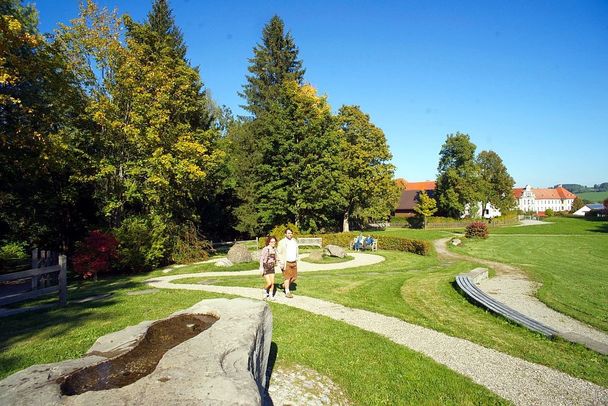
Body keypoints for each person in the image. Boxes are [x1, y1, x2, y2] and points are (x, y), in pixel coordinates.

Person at [277, 228, 298, 298]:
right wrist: (281, 262)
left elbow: (296, 250)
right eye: (288, 233)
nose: (290, 234)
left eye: (291, 233)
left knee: (294, 278)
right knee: (287, 277)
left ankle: (283, 285)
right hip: (286, 263)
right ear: (285, 234)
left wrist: (297, 258)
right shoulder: (282, 242)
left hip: (294, 262)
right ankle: (287, 292)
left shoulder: (294, 241)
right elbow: (278, 253)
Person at [259, 236, 278, 300]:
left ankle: (271, 296)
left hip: (272, 267)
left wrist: (277, 262)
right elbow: (261, 258)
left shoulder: (275, 249)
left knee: (272, 283)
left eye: (274, 242)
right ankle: (264, 291)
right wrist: (261, 268)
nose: (273, 243)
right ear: (269, 242)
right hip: (266, 267)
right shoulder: (266, 249)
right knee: (269, 283)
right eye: (271, 242)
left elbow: (276, 257)